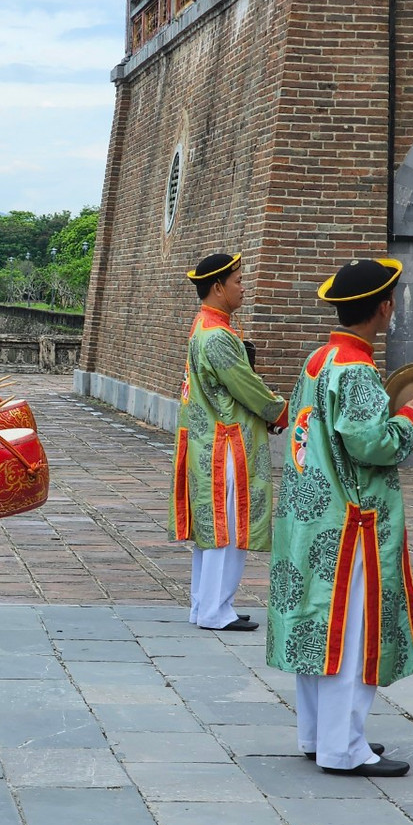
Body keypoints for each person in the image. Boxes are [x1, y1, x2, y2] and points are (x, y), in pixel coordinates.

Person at [268, 257, 413, 777]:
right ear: (384, 308)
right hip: (351, 525)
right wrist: (411, 420)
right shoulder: (358, 370)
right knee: (351, 630)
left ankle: (318, 735)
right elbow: (373, 444)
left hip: (309, 515)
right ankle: (344, 749)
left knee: (316, 626)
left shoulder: (320, 358)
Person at [169, 253, 288, 632]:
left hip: (209, 439)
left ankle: (205, 605)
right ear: (218, 287)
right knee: (226, 528)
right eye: (237, 280)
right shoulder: (218, 336)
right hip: (226, 445)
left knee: (212, 531)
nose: (242, 287)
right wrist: (279, 411)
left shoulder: (202, 326)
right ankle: (216, 611)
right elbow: (246, 387)